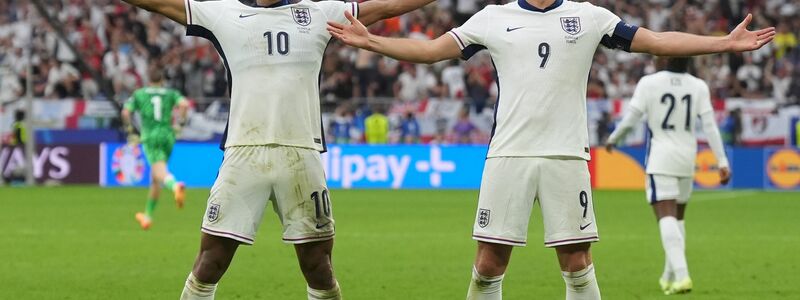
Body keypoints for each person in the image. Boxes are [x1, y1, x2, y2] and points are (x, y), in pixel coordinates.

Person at [327, 0, 774, 298]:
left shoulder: (591, 17)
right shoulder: (491, 17)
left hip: (566, 157)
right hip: (509, 156)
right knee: (487, 263)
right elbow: (430, 51)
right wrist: (373, 42)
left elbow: (656, 41)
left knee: (577, 261)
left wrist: (724, 43)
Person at [118, 0, 436, 299]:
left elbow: (389, 6)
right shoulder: (223, 13)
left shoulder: (320, 12)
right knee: (210, 260)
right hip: (244, 153)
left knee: (318, 266)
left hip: (301, 155)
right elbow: (160, 3)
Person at [605, 57, 731, 295]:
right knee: (678, 218)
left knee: (665, 216)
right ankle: (668, 276)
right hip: (687, 158)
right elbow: (710, 126)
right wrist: (722, 161)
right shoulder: (698, 85)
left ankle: (682, 275)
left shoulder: (649, 83)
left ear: (664, 57)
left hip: (661, 158)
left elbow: (632, 119)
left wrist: (613, 139)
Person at [122, 68, 189, 230]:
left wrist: (131, 131)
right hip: (168, 135)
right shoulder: (171, 93)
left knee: (160, 170)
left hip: (150, 136)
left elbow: (125, 113)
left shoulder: (140, 94)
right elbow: (184, 105)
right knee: (155, 177)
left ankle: (175, 186)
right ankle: (147, 216)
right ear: (162, 80)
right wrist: (179, 124)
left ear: (148, 79)